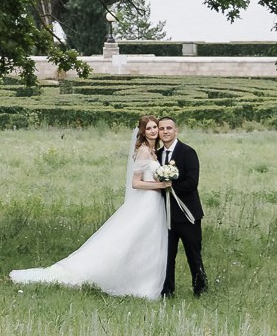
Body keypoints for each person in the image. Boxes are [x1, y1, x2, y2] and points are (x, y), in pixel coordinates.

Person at [9, 116, 170, 298]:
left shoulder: (153, 151)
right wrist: (160, 185)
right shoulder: (143, 151)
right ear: (142, 131)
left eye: (155, 127)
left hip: (154, 204)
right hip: (145, 203)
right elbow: (136, 183)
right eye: (148, 128)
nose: (153, 131)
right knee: (129, 240)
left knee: (147, 243)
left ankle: (144, 280)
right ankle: (122, 279)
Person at [153, 115, 206, 297]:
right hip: (164, 215)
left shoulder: (188, 152)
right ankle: (167, 290)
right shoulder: (157, 156)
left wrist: (171, 187)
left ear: (176, 130)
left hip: (187, 214)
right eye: (162, 129)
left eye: (169, 128)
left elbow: (192, 183)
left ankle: (200, 288)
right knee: (167, 255)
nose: (165, 131)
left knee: (193, 253)